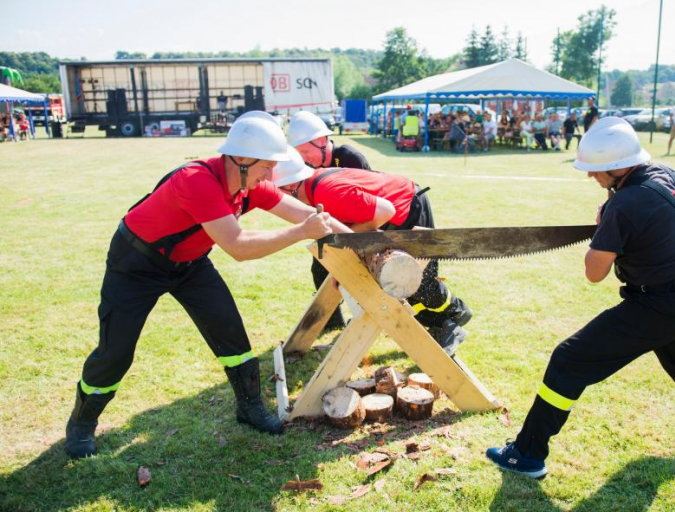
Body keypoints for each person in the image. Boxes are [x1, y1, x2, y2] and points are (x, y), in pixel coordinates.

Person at [486, 117, 675, 479]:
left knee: (568, 360)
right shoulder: (668, 175)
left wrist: (605, 225)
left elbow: (594, 273)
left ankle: (526, 455)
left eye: (596, 170)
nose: (591, 177)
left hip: (659, 305)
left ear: (617, 166)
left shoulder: (624, 205)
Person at [64, 112, 349, 460]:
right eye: (267, 166)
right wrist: (302, 233)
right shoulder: (196, 180)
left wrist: (363, 242)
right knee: (116, 351)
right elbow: (239, 246)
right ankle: (81, 423)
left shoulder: (250, 183)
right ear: (242, 159)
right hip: (135, 264)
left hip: (189, 263)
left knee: (229, 331)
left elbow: (306, 215)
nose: (271, 176)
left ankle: (249, 408)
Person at [272, 153, 473, 357]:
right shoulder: (314, 187)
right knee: (400, 283)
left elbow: (385, 211)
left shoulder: (327, 192)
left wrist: (354, 239)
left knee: (414, 279)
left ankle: (455, 313)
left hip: (408, 208)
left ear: (291, 186)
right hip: (395, 212)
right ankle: (443, 323)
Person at [286, 110, 373, 330]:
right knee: (319, 268)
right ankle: (332, 322)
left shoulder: (350, 158)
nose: (304, 158)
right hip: (330, 228)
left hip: (358, 227)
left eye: (306, 151)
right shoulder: (306, 168)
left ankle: (371, 316)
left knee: (359, 271)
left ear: (322, 140)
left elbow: (370, 204)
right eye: (299, 153)